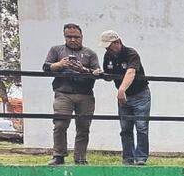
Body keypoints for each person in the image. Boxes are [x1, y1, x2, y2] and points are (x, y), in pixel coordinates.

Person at [43, 23, 102, 166]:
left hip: (85, 93)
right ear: (64, 36)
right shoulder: (56, 50)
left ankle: (80, 157)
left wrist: (83, 69)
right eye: (69, 37)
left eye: (76, 37)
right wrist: (60, 65)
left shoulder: (90, 53)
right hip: (63, 92)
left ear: (82, 37)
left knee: (83, 126)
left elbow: (98, 73)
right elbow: (46, 67)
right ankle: (59, 155)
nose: (73, 40)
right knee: (60, 124)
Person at [99, 30, 150, 165]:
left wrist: (122, 89)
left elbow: (131, 72)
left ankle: (141, 158)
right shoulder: (108, 56)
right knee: (125, 128)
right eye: (106, 47)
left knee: (141, 126)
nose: (108, 49)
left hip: (140, 93)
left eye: (110, 46)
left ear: (118, 42)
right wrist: (100, 74)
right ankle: (128, 157)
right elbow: (109, 76)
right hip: (124, 97)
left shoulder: (131, 54)